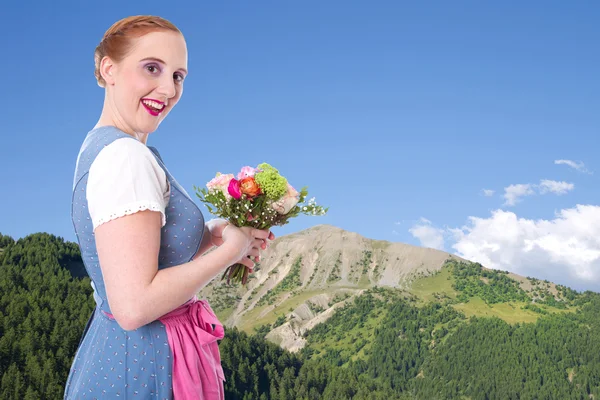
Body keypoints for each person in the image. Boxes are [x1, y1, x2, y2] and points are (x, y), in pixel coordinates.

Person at [64, 15, 274, 399]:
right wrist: (231, 251)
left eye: (178, 76)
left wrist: (211, 234)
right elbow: (133, 306)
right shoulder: (127, 158)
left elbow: (143, 254)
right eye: (151, 68)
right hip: (143, 368)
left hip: (120, 357)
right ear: (108, 69)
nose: (167, 88)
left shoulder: (106, 145)